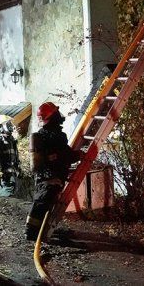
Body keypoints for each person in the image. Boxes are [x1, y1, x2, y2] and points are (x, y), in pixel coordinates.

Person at [25, 102, 82, 240]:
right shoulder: (57, 136)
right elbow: (66, 155)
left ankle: (36, 231)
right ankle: (33, 233)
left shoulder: (42, 135)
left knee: (43, 203)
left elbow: (59, 155)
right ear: (54, 115)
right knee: (43, 203)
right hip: (52, 177)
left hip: (44, 177)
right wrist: (80, 155)